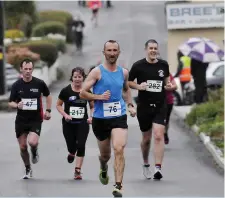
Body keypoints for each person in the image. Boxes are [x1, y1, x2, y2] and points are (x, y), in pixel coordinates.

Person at [80, 40, 136, 197]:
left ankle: (118, 186)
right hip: (100, 118)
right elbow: (82, 93)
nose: (112, 53)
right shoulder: (96, 72)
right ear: (104, 53)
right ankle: (103, 166)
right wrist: (98, 96)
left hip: (119, 116)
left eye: (115, 50)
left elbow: (126, 90)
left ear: (118, 52)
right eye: (109, 50)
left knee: (119, 148)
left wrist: (130, 105)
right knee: (106, 155)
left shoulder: (123, 72)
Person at [128, 39, 172, 180]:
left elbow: (167, 81)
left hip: (160, 105)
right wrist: (139, 86)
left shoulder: (163, 65)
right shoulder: (138, 66)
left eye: (155, 48)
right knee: (146, 139)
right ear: (146, 49)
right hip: (144, 106)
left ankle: (158, 168)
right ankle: (146, 163)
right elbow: (128, 82)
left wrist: (169, 85)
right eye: (151, 48)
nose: (153, 50)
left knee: (159, 135)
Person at [8, 59, 52, 179]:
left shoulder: (39, 83)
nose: (28, 71)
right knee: (22, 147)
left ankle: (34, 149)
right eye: (25, 69)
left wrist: (48, 110)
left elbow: (48, 95)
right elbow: (10, 102)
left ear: (32, 69)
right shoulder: (16, 85)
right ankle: (28, 168)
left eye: (30, 69)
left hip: (35, 119)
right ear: (21, 69)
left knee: (32, 142)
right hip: (21, 120)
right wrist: (17, 105)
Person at [56, 67, 94, 180]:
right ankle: (72, 152)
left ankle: (77, 171)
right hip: (68, 123)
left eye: (80, 77)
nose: (77, 79)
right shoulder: (66, 91)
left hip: (83, 122)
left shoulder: (86, 91)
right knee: (72, 145)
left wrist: (91, 117)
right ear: (72, 78)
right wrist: (65, 115)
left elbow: (92, 106)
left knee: (81, 145)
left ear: (83, 78)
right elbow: (58, 105)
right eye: (75, 77)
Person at [164, 73, 177, 144]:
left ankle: (165, 133)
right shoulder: (150, 74)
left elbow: (175, 86)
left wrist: (168, 87)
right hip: (156, 102)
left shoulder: (168, 74)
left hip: (168, 101)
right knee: (158, 120)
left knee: (166, 120)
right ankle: (160, 134)